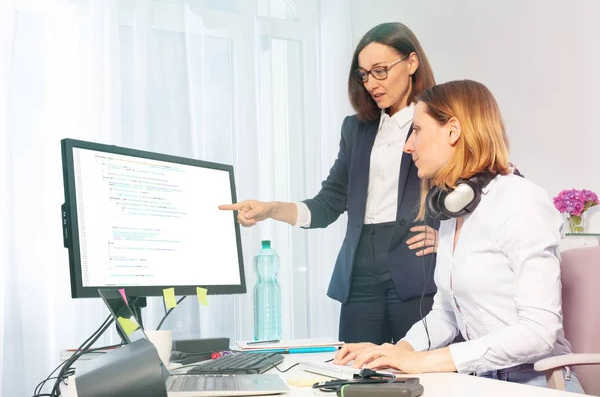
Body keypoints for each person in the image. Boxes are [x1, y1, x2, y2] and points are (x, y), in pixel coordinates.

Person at [333, 79, 584, 393]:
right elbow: (446, 314)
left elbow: (539, 331)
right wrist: (399, 350)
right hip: (481, 380)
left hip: (537, 383)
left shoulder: (520, 201)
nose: (408, 145)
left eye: (418, 130)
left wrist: (429, 361)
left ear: (452, 130)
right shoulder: (455, 209)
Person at [219, 22, 439, 344]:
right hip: (360, 267)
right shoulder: (356, 129)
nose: (371, 84)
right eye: (364, 75)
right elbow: (329, 202)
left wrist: (447, 237)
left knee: (417, 371)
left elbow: (470, 183)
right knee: (354, 373)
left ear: (411, 63)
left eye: (380, 71)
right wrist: (272, 209)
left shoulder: (436, 120)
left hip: (414, 266)